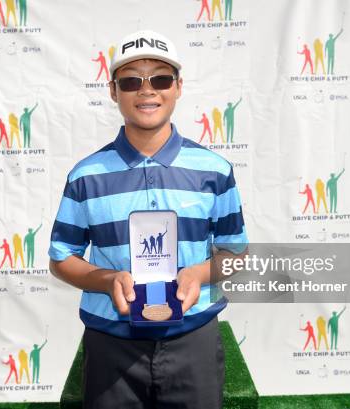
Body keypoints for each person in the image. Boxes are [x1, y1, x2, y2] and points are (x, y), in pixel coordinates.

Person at [49, 30, 247, 409]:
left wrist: (198, 274)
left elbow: (235, 253)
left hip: (194, 339)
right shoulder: (86, 176)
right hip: (112, 344)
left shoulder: (214, 171)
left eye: (160, 78)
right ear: (113, 91)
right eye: (131, 81)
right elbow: (62, 258)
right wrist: (107, 281)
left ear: (177, 87)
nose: (147, 90)